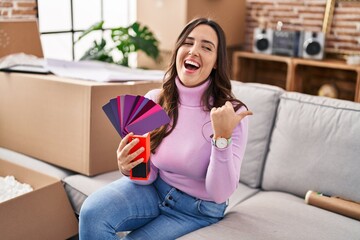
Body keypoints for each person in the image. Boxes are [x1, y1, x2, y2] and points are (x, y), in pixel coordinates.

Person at [79, 17, 252, 240]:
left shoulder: (231, 113)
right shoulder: (154, 100)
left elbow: (219, 193)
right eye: (188, 43)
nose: (194, 51)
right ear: (178, 50)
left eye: (206, 47)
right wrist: (128, 166)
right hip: (154, 190)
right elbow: (147, 175)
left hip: (196, 211)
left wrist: (222, 138)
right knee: (93, 213)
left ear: (217, 61)